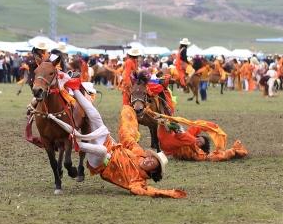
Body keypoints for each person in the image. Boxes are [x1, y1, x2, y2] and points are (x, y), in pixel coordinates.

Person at [47, 76, 186, 198]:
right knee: (95, 116)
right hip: (108, 143)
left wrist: (170, 193)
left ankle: (73, 143)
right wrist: (128, 118)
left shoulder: (138, 181)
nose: (149, 160)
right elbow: (129, 140)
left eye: (152, 163)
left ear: (152, 171)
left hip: (100, 162)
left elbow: (142, 190)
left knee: (102, 151)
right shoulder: (139, 154)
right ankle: (74, 87)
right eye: (151, 158)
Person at [155, 114, 248, 161]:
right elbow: (197, 126)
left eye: (200, 142)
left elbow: (219, 156)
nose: (198, 140)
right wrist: (212, 127)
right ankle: (164, 121)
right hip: (167, 137)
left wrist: (232, 151)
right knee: (190, 136)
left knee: (191, 140)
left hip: (169, 147)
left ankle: (171, 125)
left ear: (201, 148)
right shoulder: (190, 136)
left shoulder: (200, 154)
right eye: (199, 138)